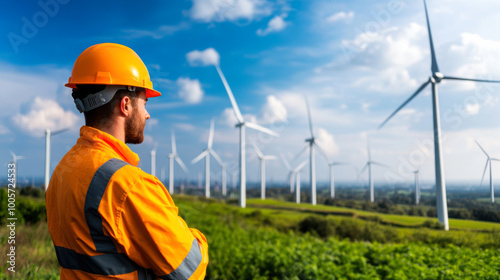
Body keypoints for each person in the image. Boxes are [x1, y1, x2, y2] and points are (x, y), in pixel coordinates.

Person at [45, 43, 209, 280]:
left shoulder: (63, 170)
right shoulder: (127, 185)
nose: (147, 114)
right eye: (145, 103)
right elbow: (190, 270)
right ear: (125, 105)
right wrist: (194, 237)